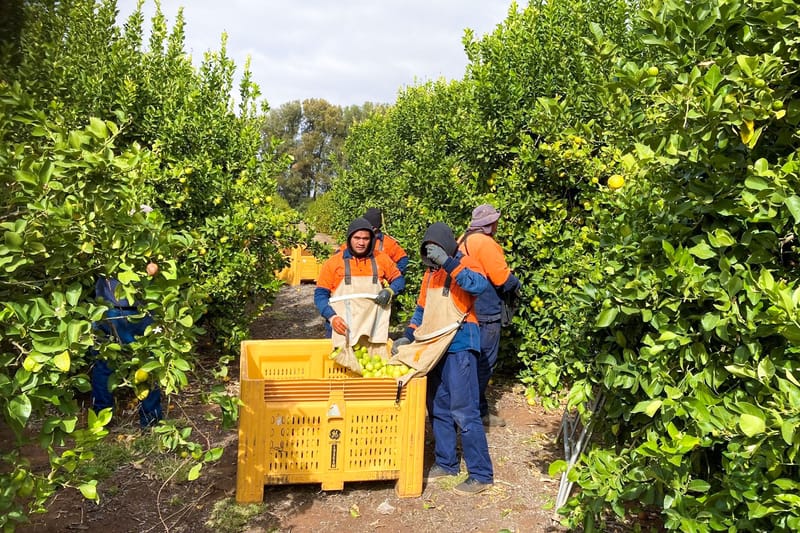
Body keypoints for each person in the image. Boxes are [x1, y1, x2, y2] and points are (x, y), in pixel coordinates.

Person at [392, 221, 493, 495]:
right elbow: (421, 310)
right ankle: (447, 462)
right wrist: (408, 335)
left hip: (460, 344)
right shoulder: (430, 274)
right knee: (437, 404)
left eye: (435, 248)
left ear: (446, 245)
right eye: (428, 250)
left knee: (464, 409)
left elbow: (478, 286)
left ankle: (481, 474)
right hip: (434, 346)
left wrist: (449, 263)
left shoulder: (465, 263)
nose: (432, 254)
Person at [458, 204, 522, 428]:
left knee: (468, 363)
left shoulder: (463, 239)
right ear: (490, 224)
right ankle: (473, 413)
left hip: (466, 310)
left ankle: (474, 409)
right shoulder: (485, 243)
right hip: (485, 311)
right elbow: (501, 278)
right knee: (484, 363)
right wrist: (516, 284)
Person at [315, 217, 405, 340]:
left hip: (373, 330)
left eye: (365, 239)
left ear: (371, 240)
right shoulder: (334, 262)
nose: (361, 243)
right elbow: (320, 295)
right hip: (341, 328)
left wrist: (390, 290)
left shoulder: (381, 258)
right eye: (357, 238)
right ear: (349, 239)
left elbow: (399, 279)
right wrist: (332, 317)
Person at [90, 275, 163, 428]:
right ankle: (151, 421)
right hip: (133, 310)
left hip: (114, 309)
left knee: (104, 365)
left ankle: (101, 420)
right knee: (149, 364)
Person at [363, 207, 409, 275]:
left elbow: (403, 259)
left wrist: (393, 275)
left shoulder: (388, 243)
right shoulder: (357, 239)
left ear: (374, 227)